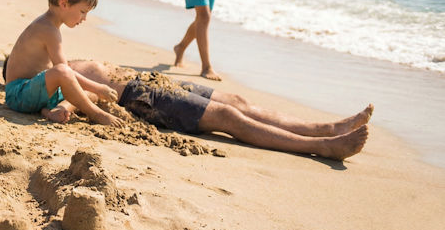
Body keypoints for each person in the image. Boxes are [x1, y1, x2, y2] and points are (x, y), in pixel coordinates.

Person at [65, 60, 371, 160]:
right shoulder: (51, 78)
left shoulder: (57, 61)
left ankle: (326, 128)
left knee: (237, 101)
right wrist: (65, 108)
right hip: (140, 97)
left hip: (147, 81)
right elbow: (69, 95)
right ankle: (322, 147)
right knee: (228, 118)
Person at [3, 0, 123, 126]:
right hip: (19, 94)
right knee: (65, 72)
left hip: (37, 91)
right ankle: (96, 114)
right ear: (64, 4)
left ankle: (57, 109)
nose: (85, 18)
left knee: (88, 94)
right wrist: (99, 87)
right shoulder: (47, 29)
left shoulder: (51, 26)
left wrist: (96, 90)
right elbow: (63, 71)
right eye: (82, 12)